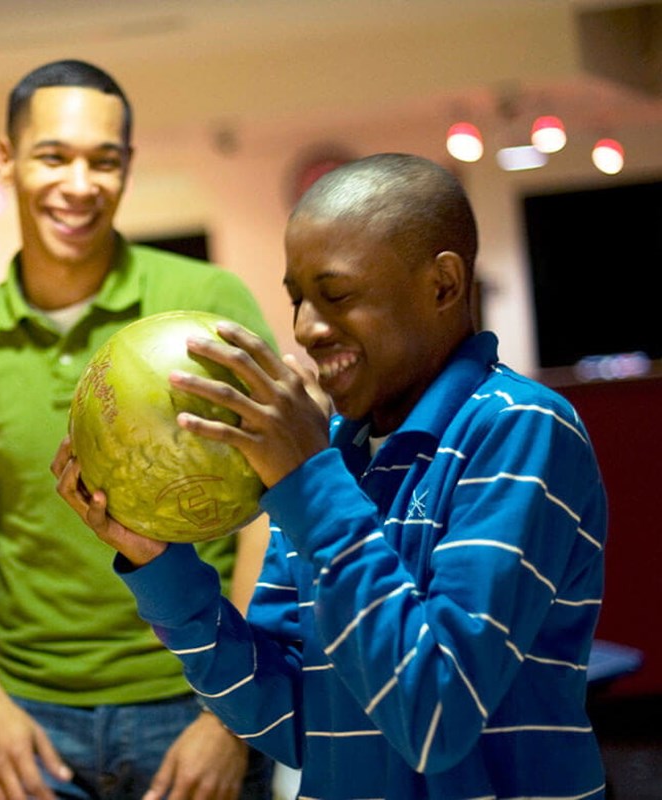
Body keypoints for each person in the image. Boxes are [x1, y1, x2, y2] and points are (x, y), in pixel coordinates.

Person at [54, 153, 609, 799]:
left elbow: (435, 717)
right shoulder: (334, 457)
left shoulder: (521, 428)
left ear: (443, 285)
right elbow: (293, 721)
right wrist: (163, 567)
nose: (305, 329)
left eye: (336, 294)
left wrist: (309, 486)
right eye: (298, 300)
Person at [0, 59, 275, 800]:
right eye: (53, 155)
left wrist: (236, 713)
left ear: (127, 168)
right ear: (8, 160)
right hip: (33, 723)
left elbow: (276, 511)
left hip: (195, 699)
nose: (80, 183)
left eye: (103, 160)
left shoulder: (203, 301)